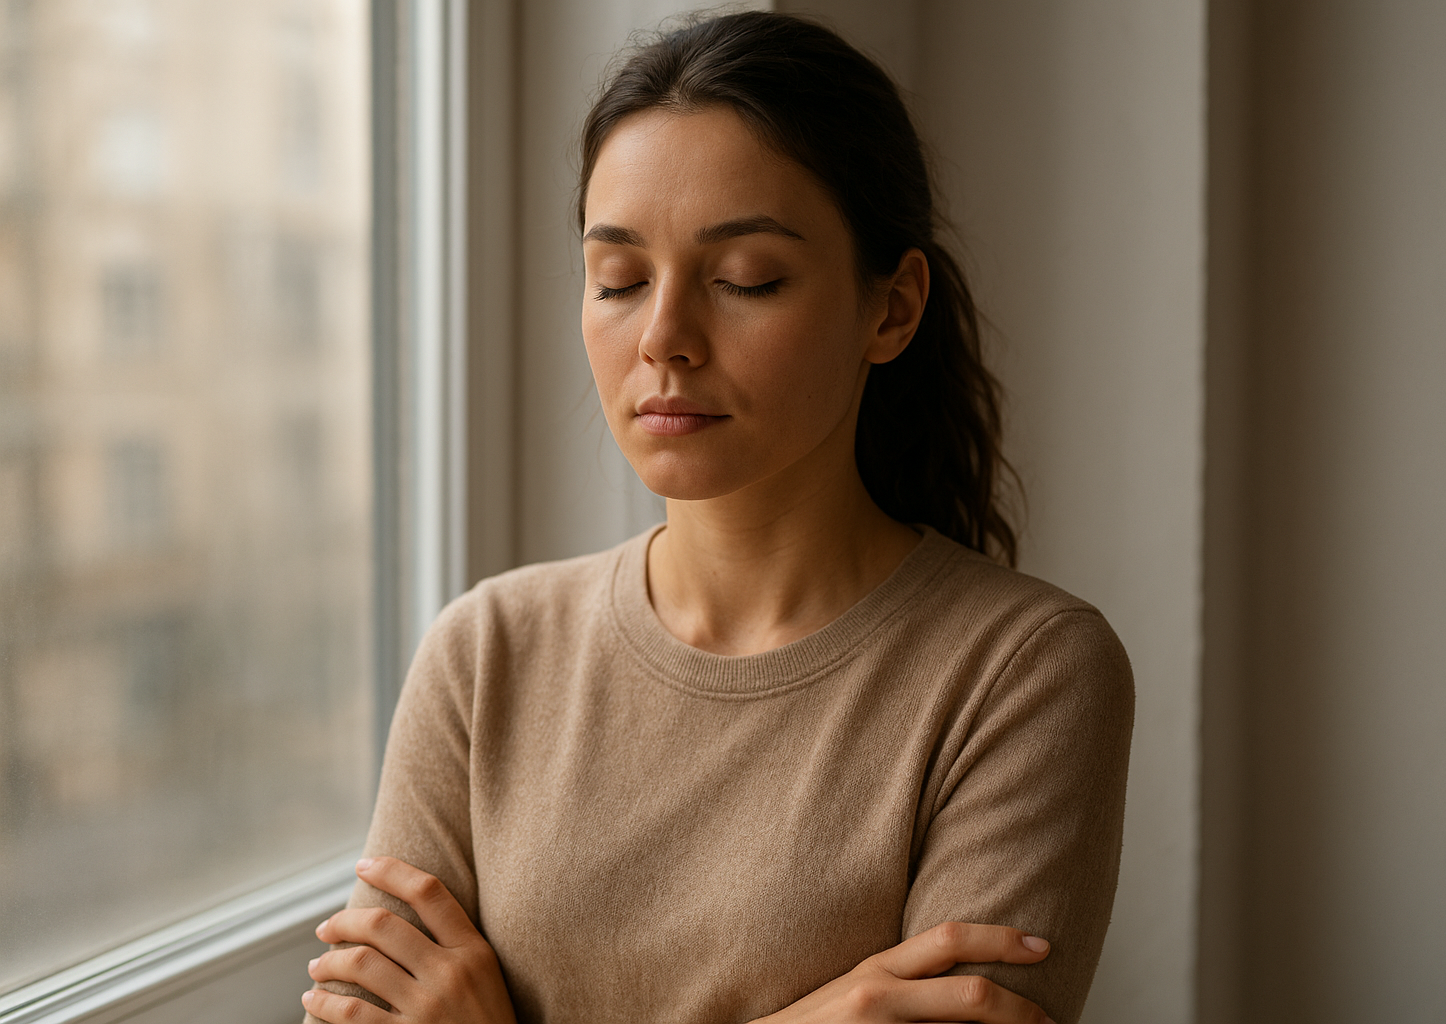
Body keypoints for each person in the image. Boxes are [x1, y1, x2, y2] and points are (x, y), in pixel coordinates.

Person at [300, 11, 1132, 1024]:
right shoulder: (488, 653)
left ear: (892, 308)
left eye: (746, 280)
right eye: (619, 281)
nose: (664, 337)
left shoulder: (1025, 672)